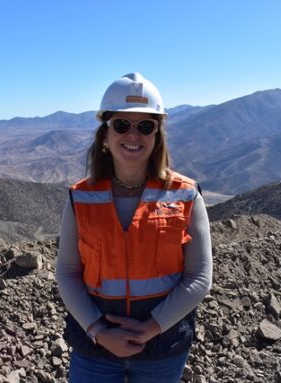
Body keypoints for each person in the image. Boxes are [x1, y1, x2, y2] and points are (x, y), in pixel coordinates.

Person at [56, 73, 212, 383]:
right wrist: (99, 332)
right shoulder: (81, 198)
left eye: (146, 126)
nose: (133, 135)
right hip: (94, 349)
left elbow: (199, 277)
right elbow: (67, 273)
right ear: (105, 133)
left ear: (157, 136)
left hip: (162, 347)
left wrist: (150, 328)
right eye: (122, 125)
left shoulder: (185, 194)